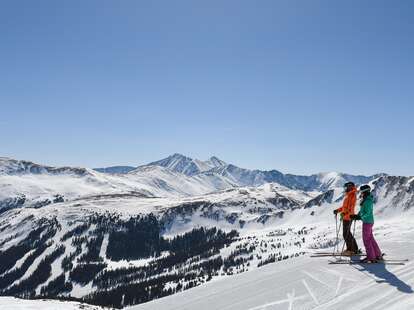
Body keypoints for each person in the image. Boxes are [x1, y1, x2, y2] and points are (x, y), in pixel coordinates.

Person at [351, 185, 382, 263]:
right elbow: (362, 211)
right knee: (370, 239)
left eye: (362, 192)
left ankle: (371, 257)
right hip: (368, 221)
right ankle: (377, 255)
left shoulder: (367, 201)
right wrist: (357, 216)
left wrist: (360, 217)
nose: (361, 193)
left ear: (365, 192)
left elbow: (367, 213)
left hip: (367, 222)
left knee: (366, 240)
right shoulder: (366, 199)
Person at [334, 182, 359, 255]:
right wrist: (338, 210)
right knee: (347, 233)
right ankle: (353, 249)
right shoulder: (348, 195)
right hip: (346, 217)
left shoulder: (352, 195)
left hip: (349, 217)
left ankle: (352, 250)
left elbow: (351, 207)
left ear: (350, 187)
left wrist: (345, 213)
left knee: (346, 234)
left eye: (347, 187)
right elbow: (344, 207)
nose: (346, 189)